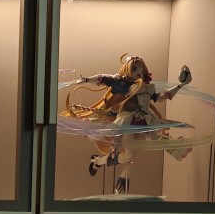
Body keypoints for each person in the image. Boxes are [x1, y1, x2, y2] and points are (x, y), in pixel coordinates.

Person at [64, 54, 193, 194]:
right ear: (128, 69)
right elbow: (104, 79)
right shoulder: (124, 84)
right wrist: (86, 80)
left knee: (151, 142)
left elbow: (163, 97)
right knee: (129, 157)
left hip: (145, 121)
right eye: (135, 68)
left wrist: (180, 85)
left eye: (141, 68)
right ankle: (118, 178)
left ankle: (99, 162)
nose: (139, 71)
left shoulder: (147, 87)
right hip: (128, 122)